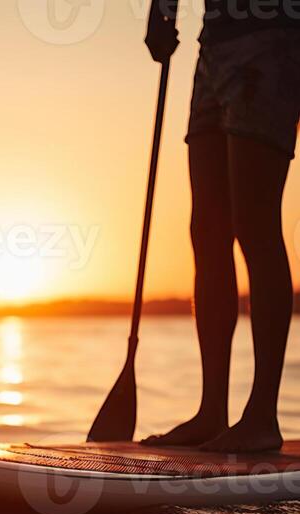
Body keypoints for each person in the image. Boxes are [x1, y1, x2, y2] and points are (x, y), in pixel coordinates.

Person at [143, 0, 300, 452]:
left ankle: (263, 416)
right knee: (207, 231)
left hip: (273, 39)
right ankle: (213, 411)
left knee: (254, 220)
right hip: (213, 45)